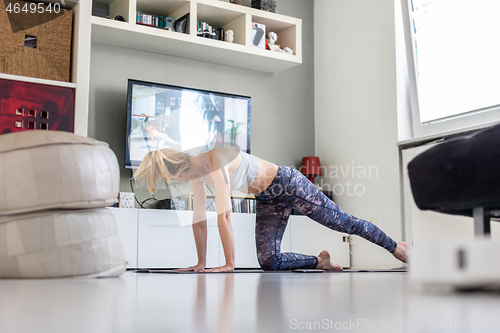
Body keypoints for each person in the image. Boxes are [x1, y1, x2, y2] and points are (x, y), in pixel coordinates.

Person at [133, 147, 409, 272]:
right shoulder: (193, 174)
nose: (173, 184)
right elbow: (199, 220)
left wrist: (229, 264)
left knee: (341, 222)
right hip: (267, 197)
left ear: (176, 170)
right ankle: (320, 261)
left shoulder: (211, 158)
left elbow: (224, 214)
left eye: (168, 179)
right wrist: (200, 263)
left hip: (288, 184)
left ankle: (397, 247)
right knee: (270, 262)